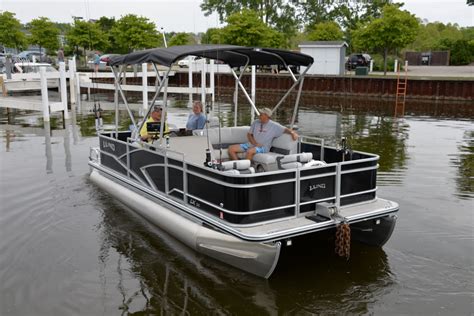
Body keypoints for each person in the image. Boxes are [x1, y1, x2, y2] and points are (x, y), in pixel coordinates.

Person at [228, 107, 298, 161]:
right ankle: (239, 165)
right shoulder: (256, 122)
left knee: (250, 151)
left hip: (263, 147)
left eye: (261, 114)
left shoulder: (274, 125)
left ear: (266, 116)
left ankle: (246, 169)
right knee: (231, 149)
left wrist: (292, 133)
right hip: (251, 144)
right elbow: (249, 135)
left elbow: (285, 129)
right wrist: (255, 143)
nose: (259, 115)